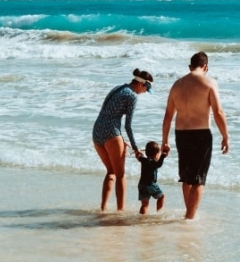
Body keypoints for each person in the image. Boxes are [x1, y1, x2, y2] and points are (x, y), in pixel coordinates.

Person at [161, 51, 228, 220]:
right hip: (201, 134)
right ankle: (190, 217)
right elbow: (218, 112)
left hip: (181, 134)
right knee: (199, 179)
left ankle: (189, 213)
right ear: (206, 67)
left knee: (186, 177)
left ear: (190, 67)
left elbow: (168, 115)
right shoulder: (210, 83)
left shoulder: (177, 85)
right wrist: (225, 136)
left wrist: (165, 141)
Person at [92, 68, 155, 211]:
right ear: (141, 84)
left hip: (97, 131)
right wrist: (135, 148)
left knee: (110, 171)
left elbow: (107, 113)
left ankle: (103, 207)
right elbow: (128, 125)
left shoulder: (118, 88)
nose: (145, 92)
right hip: (111, 133)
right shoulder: (132, 96)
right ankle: (120, 211)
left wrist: (119, 139)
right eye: (147, 88)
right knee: (120, 174)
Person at [133, 140, 167, 214]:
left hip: (142, 185)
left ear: (146, 153)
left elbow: (138, 157)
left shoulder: (143, 160)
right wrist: (163, 155)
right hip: (150, 184)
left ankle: (142, 217)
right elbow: (159, 164)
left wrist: (138, 153)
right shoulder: (153, 162)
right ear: (156, 155)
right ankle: (159, 213)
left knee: (144, 205)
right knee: (161, 197)